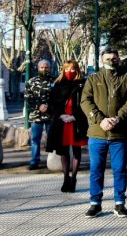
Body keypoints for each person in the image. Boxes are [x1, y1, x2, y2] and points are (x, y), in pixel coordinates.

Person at [80, 47, 127, 218]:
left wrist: (118, 118)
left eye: (114, 58)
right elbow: (85, 101)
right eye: (107, 59)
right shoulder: (93, 79)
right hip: (97, 133)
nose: (111, 61)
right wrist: (101, 120)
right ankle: (95, 203)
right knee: (96, 169)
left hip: (119, 134)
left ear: (119, 59)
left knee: (120, 169)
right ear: (101, 60)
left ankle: (120, 203)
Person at [46, 60, 88, 193]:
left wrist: (75, 116)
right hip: (62, 121)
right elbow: (52, 103)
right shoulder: (58, 84)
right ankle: (65, 177)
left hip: (76, 121)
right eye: (67, 69)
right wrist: (60, 115)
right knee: (63, 151)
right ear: (63, 70)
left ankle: (74, 177)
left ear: (77, 70)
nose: (70, 72)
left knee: (76, 149)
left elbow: (87, 102)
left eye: (72, 69)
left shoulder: (83, 84)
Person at [25, 59, 54, 170]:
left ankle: (53, 161)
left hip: (50, 115)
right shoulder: (31, 81)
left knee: (52, 139)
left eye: (46, 67)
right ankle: (34, 161)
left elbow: (58, 97)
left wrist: (47, 106)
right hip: (36, 116)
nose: (44, 69)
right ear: (38, 68)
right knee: (35, 140)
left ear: (49, 68)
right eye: (42, 67)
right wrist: (38, 106)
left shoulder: (55, 81)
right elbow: (28, 98)